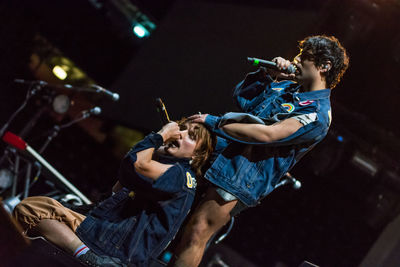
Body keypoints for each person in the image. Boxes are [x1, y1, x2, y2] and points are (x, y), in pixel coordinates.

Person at [170, 35, 349, 267]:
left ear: (324, 66)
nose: (295, 60)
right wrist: (271, 77)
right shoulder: (288, 85)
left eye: (304, 57)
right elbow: (243, 101)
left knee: (198, 231)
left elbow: (268, 135)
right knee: (171, 208)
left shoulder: (318, 114)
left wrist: (215, 122)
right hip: (220, 154)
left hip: (241, 174)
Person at [13, 118, 216, 267]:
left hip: (111, 248)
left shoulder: (179, 174)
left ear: (198, 154)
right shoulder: (170, 173)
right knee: (35, 211)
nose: (179, 133)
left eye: (191, 135)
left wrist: (160, 135)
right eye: (181, 128)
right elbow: (121, 185)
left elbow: (135, 164)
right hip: (110, 242)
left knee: (32, 209)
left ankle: (88, 257)